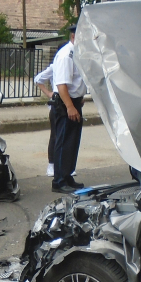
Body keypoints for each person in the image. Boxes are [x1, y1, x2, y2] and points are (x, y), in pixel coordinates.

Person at [50, 23, 87, 193]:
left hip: (74, 102)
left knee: (72, 143)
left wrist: (79, 99)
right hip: (66, 105)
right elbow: (62, 84)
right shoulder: (66, 55)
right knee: (63, 142)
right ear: (73, 36)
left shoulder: (78, 54)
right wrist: (70, 106)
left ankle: (67, 175)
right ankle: (59, 180)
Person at [34, 64, 59, 177]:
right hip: (57, 105)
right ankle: (51, 165)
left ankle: (66, 165)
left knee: (68, 137)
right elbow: (38, 79)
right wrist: (49, 93)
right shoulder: (55, 66)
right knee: (55, 135)